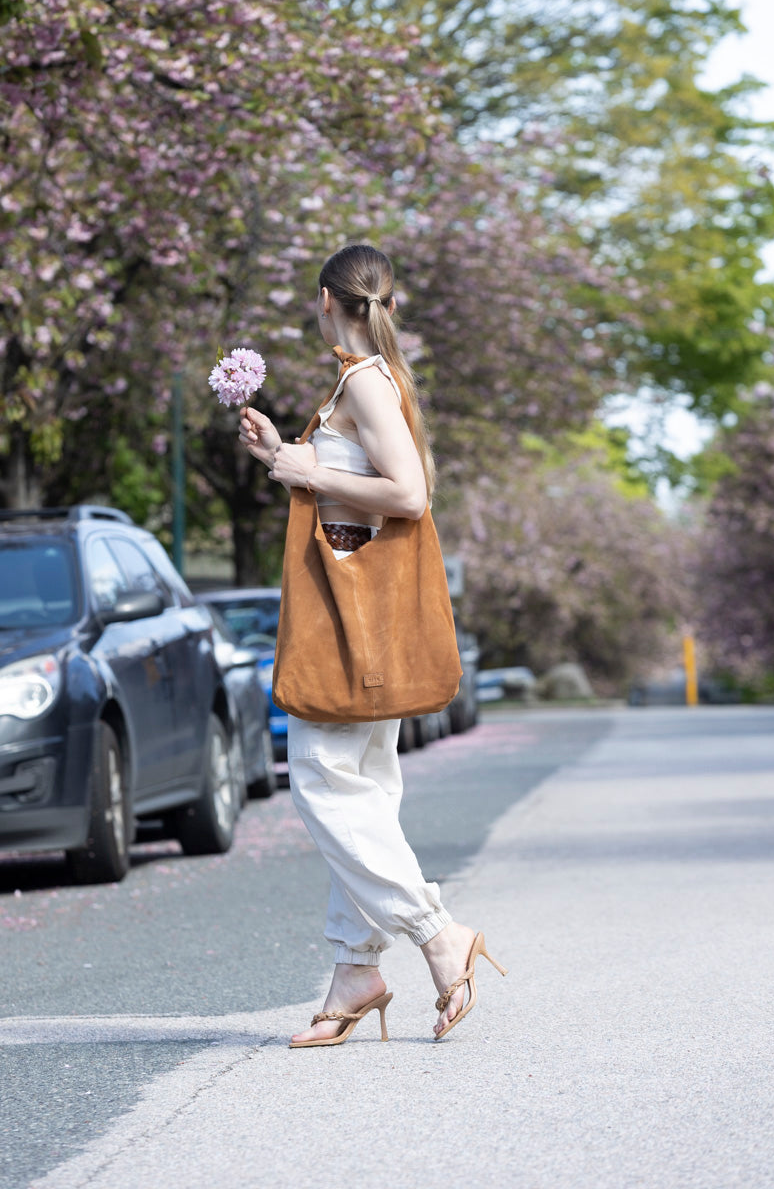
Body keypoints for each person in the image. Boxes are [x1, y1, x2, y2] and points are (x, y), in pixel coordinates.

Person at [238, 244, 506, 1045]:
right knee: (365, 795)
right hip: (366, 617)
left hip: (349, 620)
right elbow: (362, 481)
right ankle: (356, 969)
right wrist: (282, 454)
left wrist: (305, 472)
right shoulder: (369, 379)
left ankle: (437, 933)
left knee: (321, 786)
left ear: (327, 299)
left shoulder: (363, 381)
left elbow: (408, 494)